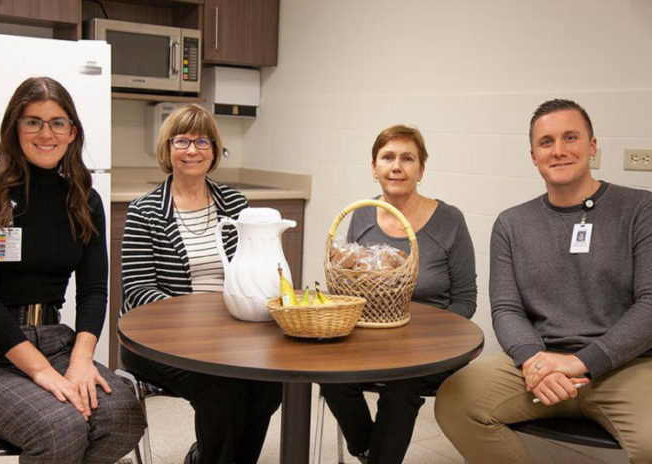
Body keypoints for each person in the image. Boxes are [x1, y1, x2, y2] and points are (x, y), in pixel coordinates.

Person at [434, 99, 652, 464]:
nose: (559, 150)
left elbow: (650, 304)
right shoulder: (511, 224)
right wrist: (533, 362)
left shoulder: (640, 210)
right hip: (538, 360)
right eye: (546, 142)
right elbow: (506, 309)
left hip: (625, 365)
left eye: (570, 137)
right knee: (456, 401)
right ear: (534, 156)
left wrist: (582, 362)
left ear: (592, 146)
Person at [0, 77, 145, 463]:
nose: (46, 134)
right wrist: (42, 372)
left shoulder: (84, 200)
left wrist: (80, 360)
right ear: (14, 128)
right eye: (33, 122)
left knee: (122, 416)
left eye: (58, 123)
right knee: (59, 427)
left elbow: (94, 290)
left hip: (55, 339)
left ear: (72, 132)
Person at [120, 103, 282, 464]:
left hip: (230, 335)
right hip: (161, 340)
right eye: (182, 141)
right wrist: (201, 319)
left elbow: (253, 268)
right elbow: (138, 289)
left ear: (214, 150)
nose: (192, 150)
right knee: (223, 389)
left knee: (269, 384)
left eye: (202, 142)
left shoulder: (235, 204)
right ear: (167, 148)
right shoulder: (145, 210)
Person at [320, 124, 477, 464]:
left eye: (407, 158)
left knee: (402, 387)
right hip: (371, 337)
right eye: (387, 157)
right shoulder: (362, 212)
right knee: (330, 375)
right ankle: (368, 450)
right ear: (373, 167)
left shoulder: (450, 220)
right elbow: (352, 281)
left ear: (421, 170)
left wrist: (422, 331)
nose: (396, 167)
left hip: (431, 345)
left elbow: (466, 299)